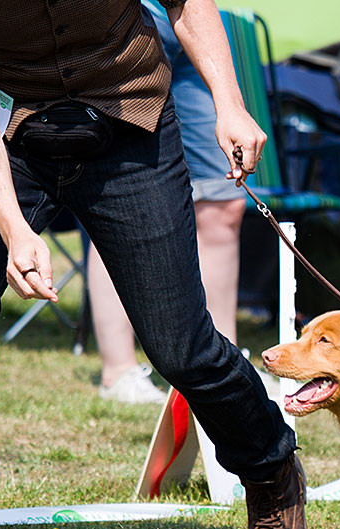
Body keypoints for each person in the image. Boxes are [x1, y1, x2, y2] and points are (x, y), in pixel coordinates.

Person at [0, 0, 310, 529]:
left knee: (180, 345)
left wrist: (229, 104)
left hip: (131, 122)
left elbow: (185, 3)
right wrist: (14, 227)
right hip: (7, 134)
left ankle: (272, 476)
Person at [91, 0, 247, 405]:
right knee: (112, 199)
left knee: (225, 203)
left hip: (201, 18)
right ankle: (119, 370)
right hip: (122, 20)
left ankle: (226, 369)